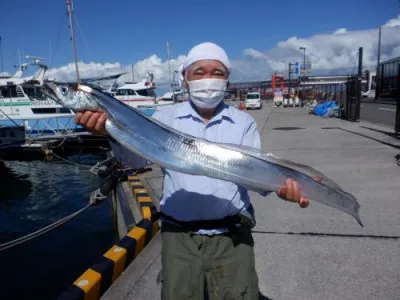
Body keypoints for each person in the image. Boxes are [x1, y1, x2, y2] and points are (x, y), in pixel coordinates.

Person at [74, 42, 311, 300]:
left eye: (217, 72)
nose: (208, 78)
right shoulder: (165, 118)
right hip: (179, 236)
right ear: (185, 78)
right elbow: (134, 160)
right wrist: (109, 133)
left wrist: (279, 189)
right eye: (199, 72)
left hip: (232, 236)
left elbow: (253, 175)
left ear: (227, 79)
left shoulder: (243, 122)